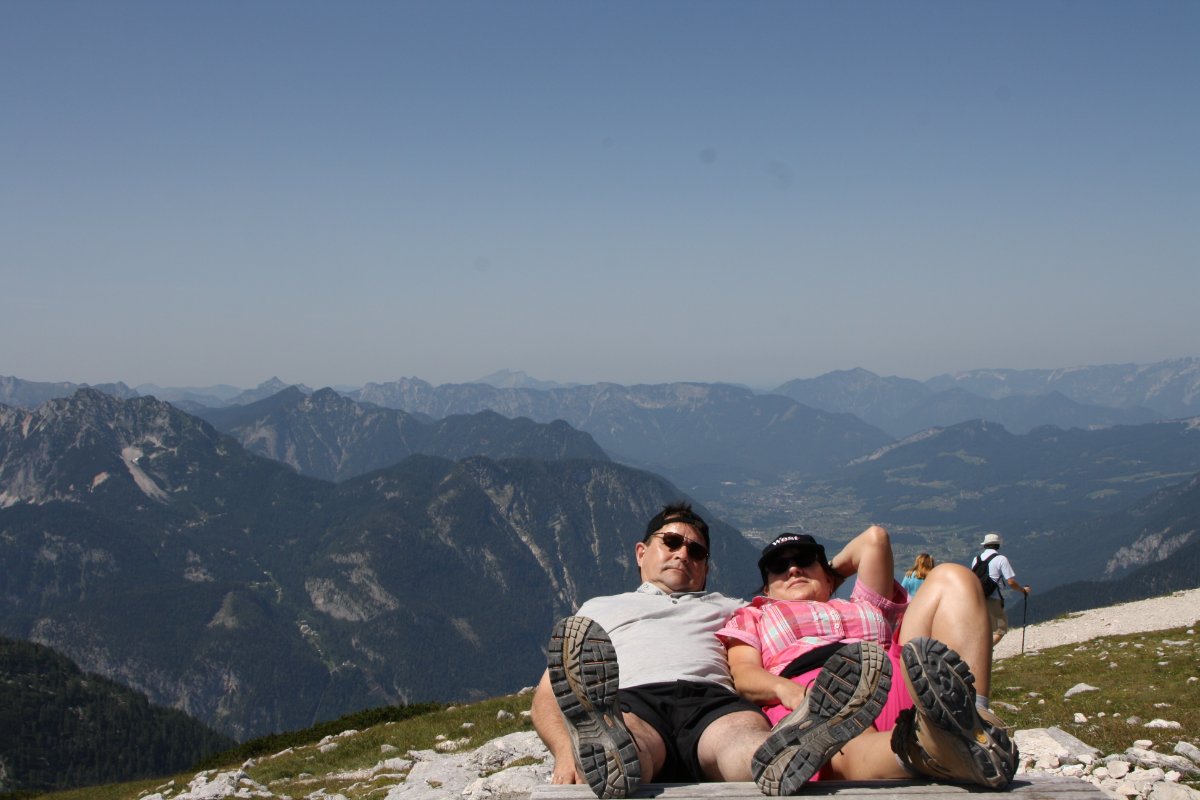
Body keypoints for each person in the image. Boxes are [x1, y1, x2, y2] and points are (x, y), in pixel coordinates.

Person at [531, 503, 886, 798]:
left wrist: (821, 573)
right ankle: (605, 757)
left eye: (696, 551)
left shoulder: (738, 609)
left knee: (741, 739)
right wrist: (564, 751)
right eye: (671, 542)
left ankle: (784, 752)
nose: (683, 554)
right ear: (641, 553)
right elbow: (547, 696)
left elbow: (801, 596)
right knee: (632, 741)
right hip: (633, 699)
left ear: (705, 567)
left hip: (713, 700)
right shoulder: (600, 609)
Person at [717, 526, 1018, 790]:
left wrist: (826, 577)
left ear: (828, 576)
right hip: (815, 689)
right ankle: (937, 749)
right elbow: (744, 674)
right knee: (837, 736)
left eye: (805, 560)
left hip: (892, 670)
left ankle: (976, 723)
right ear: (766, 588)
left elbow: (874, 539)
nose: (793, 569)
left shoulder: (861, 603)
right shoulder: (754, 615)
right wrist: (793, 693)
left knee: (954, 577)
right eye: (779, 566)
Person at [972, 532, 1031, 646]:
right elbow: (1011, 582)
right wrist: (1023, 590)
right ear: (998, 545)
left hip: (977, 598)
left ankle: (980, 649)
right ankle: (985, 650)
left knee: (984, 628)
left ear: (985, 545)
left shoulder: (976, 559)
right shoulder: (1001, 559)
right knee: (1000, 629)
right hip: (993, 598)